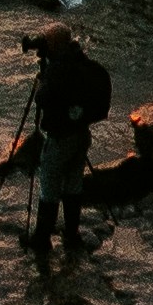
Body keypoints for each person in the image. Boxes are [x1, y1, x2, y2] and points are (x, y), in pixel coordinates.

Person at [23, 21, 116, 255]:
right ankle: (72, 234)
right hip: (81, 134)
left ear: (53, 44)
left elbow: (43, 99)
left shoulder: (58, 69)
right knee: (74, 183)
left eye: (45, 42)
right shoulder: (80, 62)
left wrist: (42, 82)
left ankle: (41, 239)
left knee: (50, 185)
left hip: (61, 138)